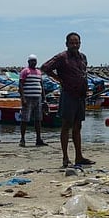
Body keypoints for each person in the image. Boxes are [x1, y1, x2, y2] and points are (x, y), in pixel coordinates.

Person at [41, 32, 93, 168]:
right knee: (66, 126)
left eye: (77, 42)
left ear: (80, 43)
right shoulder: (62, 57)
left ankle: (79, 156)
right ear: (67, 44)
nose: (75, 45)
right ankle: (65, 158)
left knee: (78, 126)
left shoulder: (83, 57)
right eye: (72, 43)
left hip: (80, 95)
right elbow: (45, 67)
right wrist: (59, 79)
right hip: (68, 95)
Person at [19, 54, 47, 147]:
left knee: (38, 119)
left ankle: (38, 139)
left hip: (38, 98)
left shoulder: (39, 72)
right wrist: (23, 98)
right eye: (32, 61)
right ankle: (22, 139)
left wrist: (44, 99)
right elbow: (21, 85)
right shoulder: (25, 71)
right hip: (28, 98)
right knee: (25, 119)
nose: (34, 62)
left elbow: (41, 85)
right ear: (28, 62)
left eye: (35, 61)